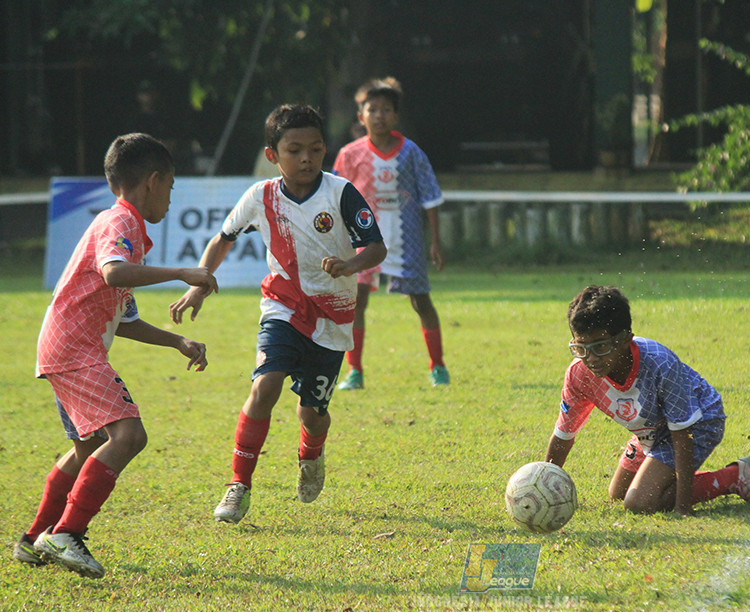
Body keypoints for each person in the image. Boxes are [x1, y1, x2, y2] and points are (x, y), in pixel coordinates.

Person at [170, 104, 386, 524]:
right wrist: (199, 283)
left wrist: (351, 266)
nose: (306, 158)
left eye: (315, 148)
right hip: (283, 307)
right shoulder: (260, 197)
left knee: (312, 411)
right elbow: (223, 238)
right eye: (294, 150)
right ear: (273, 155)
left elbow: (375, 246)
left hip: (333, 317)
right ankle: (239, 485)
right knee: (264, 387)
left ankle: (312, 453)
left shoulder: (341, 193)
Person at [13, 133, 218, 578]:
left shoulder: (125, 228)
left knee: (87, 446)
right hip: (73, 348)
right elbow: (113, 273)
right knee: (129, 437)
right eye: (171, 186)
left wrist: (177, 341)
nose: (169, 198)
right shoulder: (119, 223)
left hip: (64, 345)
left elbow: (123, 319)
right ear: (153, 181)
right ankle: (67, 533)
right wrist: (183, 271)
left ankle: (33, 540)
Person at [544, 285, 750, 516]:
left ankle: (735, 476)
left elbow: (682, 435)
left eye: (600, 346)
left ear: (625, 339)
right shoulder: (579, 374)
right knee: (619, 493)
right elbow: (564, 434)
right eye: (580, 348)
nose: (590, 358)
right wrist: (543, 487)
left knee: (639, 503)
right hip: (653, 431)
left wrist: (681, 507)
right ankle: (669, 480)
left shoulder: (658, 363)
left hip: (698, 421)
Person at [332, 77, 449, 390]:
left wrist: (435, 241)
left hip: (406, 239)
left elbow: (430, 196)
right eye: (373, 109)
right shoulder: (349, 154)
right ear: (361, 116)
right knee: (356, 303)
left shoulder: (411, 153)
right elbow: (333, 197)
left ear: (396, 116)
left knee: (420, 301)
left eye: (386, 110)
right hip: (362, 241)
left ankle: (437, 366)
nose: (379, 115)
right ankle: (354, 372)